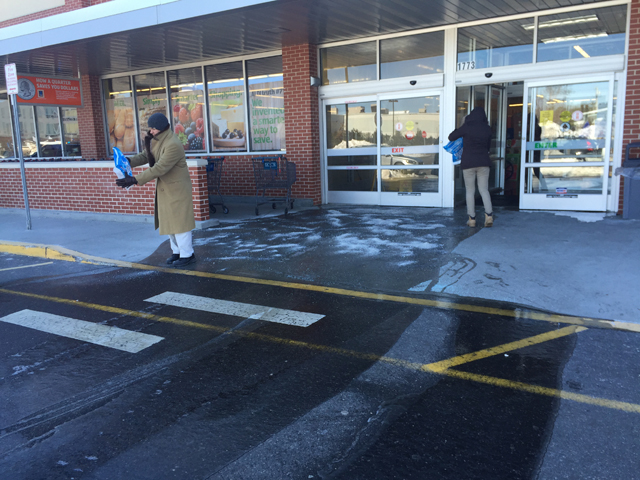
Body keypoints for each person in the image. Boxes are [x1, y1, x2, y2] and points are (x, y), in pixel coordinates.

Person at [115, 112, 197, 266]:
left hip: (177, 190)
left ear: (160, 128)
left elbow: (159, 168)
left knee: (180, 223)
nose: (150, 131)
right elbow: (145, 156)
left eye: (152, 128)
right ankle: (177, 252)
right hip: (166, 189)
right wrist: (128, 161)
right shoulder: (158, 140)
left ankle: (188, 254)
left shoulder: (173, 144)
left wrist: (135, 179)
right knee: (169, 222)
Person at [448, 106, 493, 227]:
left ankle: (472, 219)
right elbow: (488, 147)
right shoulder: (487, 129)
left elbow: (451, 137)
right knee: (484, 190)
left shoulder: (467, 127)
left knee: (470, 191)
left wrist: (462, 124)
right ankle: (489, 216)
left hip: (468, 163)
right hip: (483, 162)